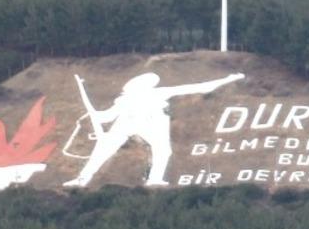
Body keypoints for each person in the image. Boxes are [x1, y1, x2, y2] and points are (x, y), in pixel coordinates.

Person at [64, 71, 244, 187]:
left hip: (150, 123)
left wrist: (227, 79)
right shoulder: (126, 99)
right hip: (127, 123)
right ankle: (82, 179)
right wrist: (95, 113)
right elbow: (106, 117)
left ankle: (155, 179)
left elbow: (200, 87)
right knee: (103, 149)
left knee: (163, 150)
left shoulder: (158, 93)